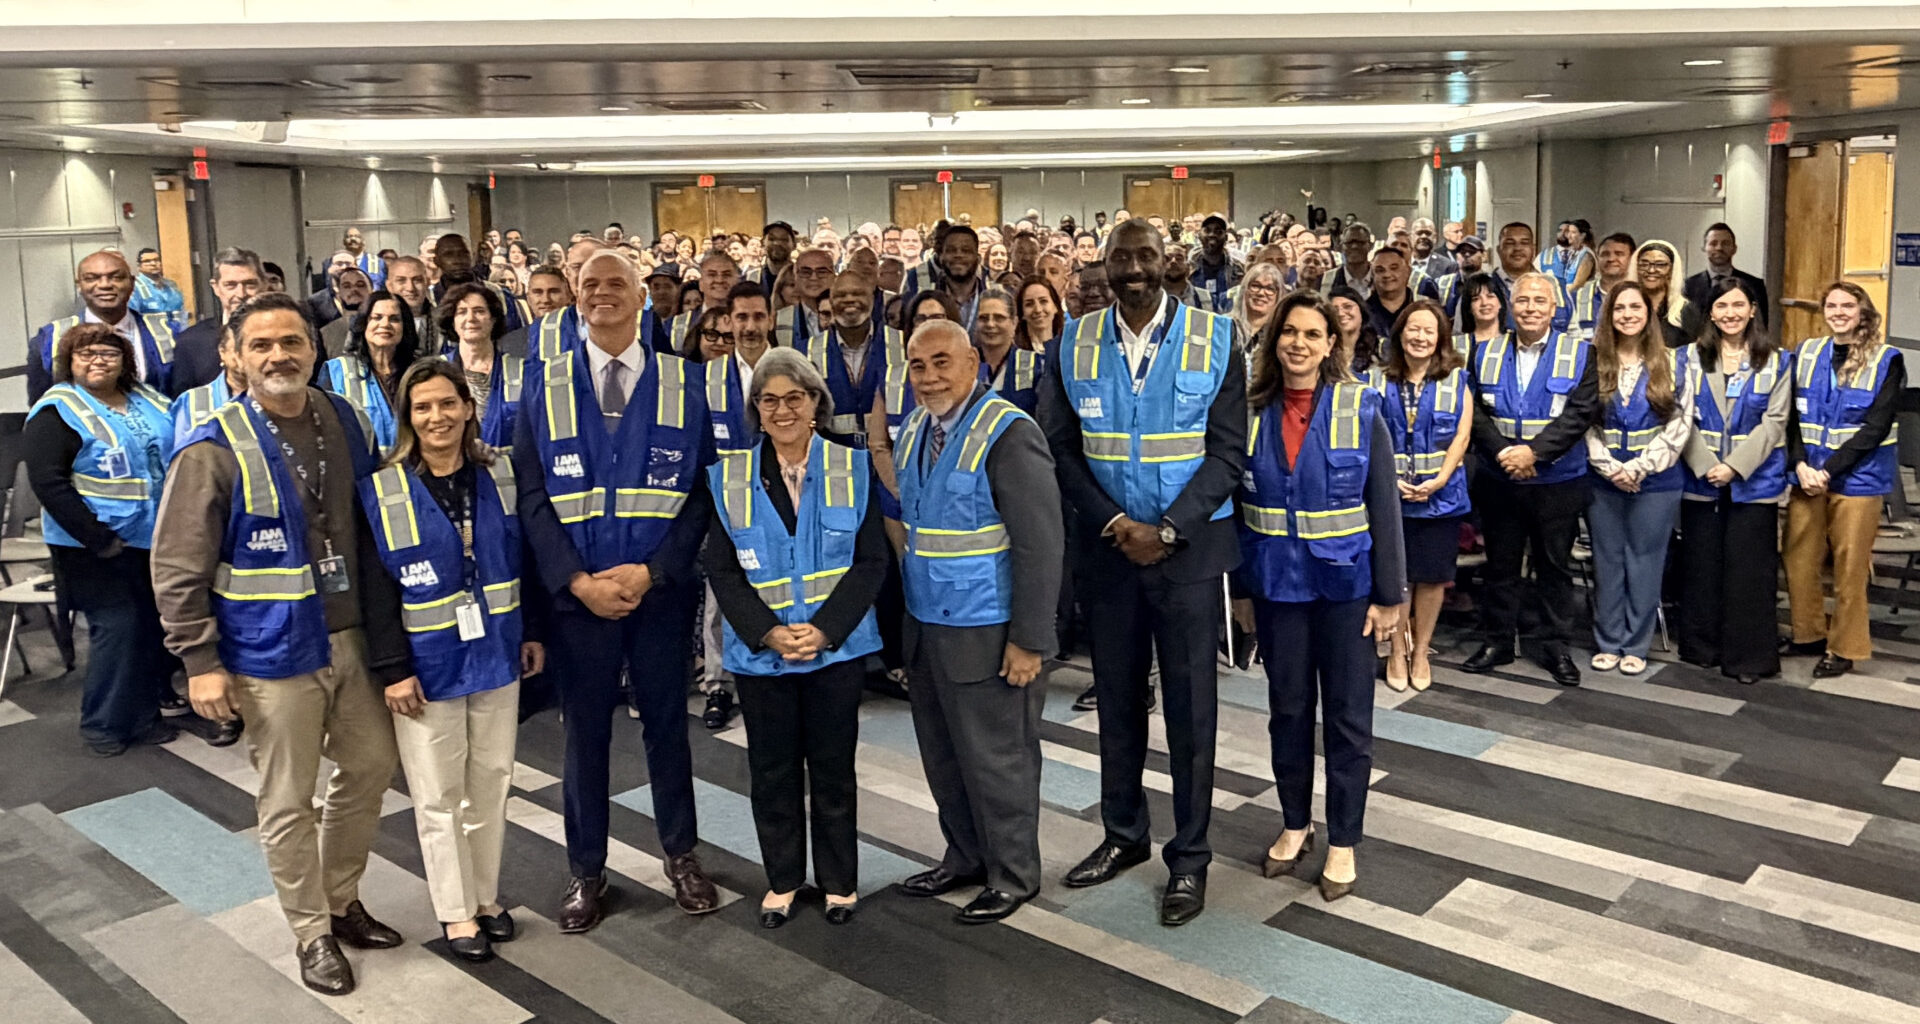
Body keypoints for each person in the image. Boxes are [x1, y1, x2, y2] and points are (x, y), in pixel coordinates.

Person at [152, 292, 409, 997]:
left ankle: (340, 898)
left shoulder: (344, 419)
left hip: (351, 636)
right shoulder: (210, 446)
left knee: (370, 767)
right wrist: (199, 661)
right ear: (233, 356)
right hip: (268, 651)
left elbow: (382, 511)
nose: (278, 356)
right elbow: (177, 564)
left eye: (291, 342)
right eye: (260, 345)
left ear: (314, 350)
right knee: (288, 798)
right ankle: (311, 931)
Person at [1039, 219, 1244, 927]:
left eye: (1145, 256)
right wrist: (1115, 525)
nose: (1133, 269)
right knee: (1118, 704)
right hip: (1108, 551)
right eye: (1121, 257)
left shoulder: (1217, 338)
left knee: (1190, 713)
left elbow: (1227, 454)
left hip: (1185, 554)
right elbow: (1061, 450)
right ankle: (1124, 835)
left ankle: (1189, 858)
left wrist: (1167, 529)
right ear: (1105, 264)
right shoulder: (1073, 339)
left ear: (1167, 263)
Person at [512, 250, 720, 931]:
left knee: (667, 728)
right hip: (579, 600)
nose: (603, 294)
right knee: (585, 739)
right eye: (590, 285)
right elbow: (533, 494)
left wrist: (654, 572)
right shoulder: (541, 383)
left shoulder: (686, 384)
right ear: (576, 299)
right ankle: (586, 870)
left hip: (658, 595)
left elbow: (701, 496)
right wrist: (574, 580)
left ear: (643, 298)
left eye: (616, 285)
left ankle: (682, 855)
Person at [360, 359, 541, 964]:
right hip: (424, 663)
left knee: (491, 782)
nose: (436, 417)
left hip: (496, 649)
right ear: (407, 418)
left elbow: (524, 561)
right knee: (438, 793)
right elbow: (375, 588)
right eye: (423, 408)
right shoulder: (383, 486)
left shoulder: (501, 475)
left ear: (468, 407)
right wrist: (391, 669)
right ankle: (456, 912)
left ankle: (486, 899)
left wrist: (531, 631)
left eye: (447, 404)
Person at [701, 348, 886, 927]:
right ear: (756, 409)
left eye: (794, 398)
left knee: (833, 768)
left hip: (836, 650)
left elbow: (871, 561)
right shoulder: (728, 476)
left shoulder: (852, 467)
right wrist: (769, 633)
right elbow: (723, 569)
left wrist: (826, 631)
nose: (782, 410)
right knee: (773, 771)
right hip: (763, 656)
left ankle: (839, 883)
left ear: (816, 405)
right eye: (769, 399)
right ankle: (782, 880)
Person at [1237, 291, 1406, 902]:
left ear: (1332, 344)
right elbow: (1239, 510)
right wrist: (1242, 590)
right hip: (1275, 590)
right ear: (1273, 339)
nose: (1299, 344)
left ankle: (1343, 839)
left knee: (1346, 717)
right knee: (1286, 713)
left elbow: (1384, 509)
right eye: (1289, 332)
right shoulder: (1249, 410)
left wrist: (1391, 597)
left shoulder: (1361, 406)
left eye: (1313, 334)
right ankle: (1293, 821)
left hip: (1345, 592)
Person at [893, 320, 1062, 924]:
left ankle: (1013, 874)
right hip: (927, 624)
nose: (931, 376)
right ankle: (964, 856)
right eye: (918, 365)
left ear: (973, 363)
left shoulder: (1009, 433)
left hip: (991, 630)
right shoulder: (914, 428)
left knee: (999, 759)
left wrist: (1029, 640)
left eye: (943, 362)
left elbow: (1041, 545)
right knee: (944, 755)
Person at [26, 323, 177, 756]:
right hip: (91, 545)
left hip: (153, 537)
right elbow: (48, 482)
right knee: (119, 627)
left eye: (108, 353)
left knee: (151, 628)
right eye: (86, 354)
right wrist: (98, 538)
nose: (97, 360)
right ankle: (103, 724)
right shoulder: (58, 408)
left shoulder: (148, 398)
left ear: (124, 360)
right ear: (70, 363)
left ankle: (144, 718)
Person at [1462, 272, 1597, 687]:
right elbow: (1475, 413)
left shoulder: (1580, 353)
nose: (1531, 308)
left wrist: (1533, 453)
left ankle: (1555, 646)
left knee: (1555, 568)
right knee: (1501, 566)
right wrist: (1505, 452)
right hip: (1500, 479)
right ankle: (1498, 641)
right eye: (1523, 301)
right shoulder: (1483, 351)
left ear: (1554, 309)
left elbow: (1581, 412)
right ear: (1510, 306)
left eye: (1540, 301)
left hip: (1557, 481)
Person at [1783, 281, 1900, 679]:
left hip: (1858, 479)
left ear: (1862, 310)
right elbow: (1791, 417)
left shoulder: (1887, 359)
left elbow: (1876, 427)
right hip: (1806, 475)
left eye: (1847, 305)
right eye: (1831, 305)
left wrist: (1828, 471)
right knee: (1798, 558)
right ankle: (1808, 633)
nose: (1838, 312)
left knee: (1849, 567)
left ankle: (1844, 646)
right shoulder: (1807, 352)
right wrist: (1800, 465)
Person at [1675, 278, 1787, 685]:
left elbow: (1775, 422)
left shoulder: (1776, 359)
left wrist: (1735, 467)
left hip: (1754, 482)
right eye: (1721, 306)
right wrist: (1707, 464)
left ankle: (1748, 658)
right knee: (1702, 567)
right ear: (1710, 313)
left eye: (1738, 305)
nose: (1730, 314)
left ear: (1753, 309)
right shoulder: (1686, 358)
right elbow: (1678, 417)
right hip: (1700, 479)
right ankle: (1701, 647)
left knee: (1749, 572)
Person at [1583, 282, 1690, 676]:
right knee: (1607, 560)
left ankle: (1635, 644)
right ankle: (1608, 641)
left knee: (1645, 562)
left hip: (1657, 482)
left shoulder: (1675, 362)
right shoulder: (1592, 362)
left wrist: (1641, 467)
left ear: (1649, 314)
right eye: (1619, 308)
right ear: (1608, 315)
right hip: (1604, 479)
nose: (1627, 314)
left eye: (1635, 307)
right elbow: (1584, 424)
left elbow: (1681, 425)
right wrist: (1610, 466)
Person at [1369, 300, 1471, 691]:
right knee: (1399, 579)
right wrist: (1389, 480)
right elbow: (1369, 438)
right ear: (1400, 333)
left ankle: (1421, 649)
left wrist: (1440, 479)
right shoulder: (1378, 379)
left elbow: (1462, 435)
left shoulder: (1456, 378)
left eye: (1430, 330)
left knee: (1432, 580)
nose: (1421, 337)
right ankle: (1396, 649)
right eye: (1414, 328)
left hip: (1440, 496)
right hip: (1391, 497)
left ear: (1441, 338)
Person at [31, 250, 178, 403]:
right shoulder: (50, 339)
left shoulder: (169, 333)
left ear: (132, 283)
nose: (105, 285)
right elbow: (41, 404)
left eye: (116, 277)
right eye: (91, 278)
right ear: (79, 285)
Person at [323, 289, 420, 453]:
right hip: (363, 473)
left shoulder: (420, 372)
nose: (385, 324)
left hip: (414, 472)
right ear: (363, 324)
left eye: (394, 319)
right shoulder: (336, 372)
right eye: (377, 317)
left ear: (405, 328)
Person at [440, 283, 524, 448]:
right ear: (453, 321)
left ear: (493, 319)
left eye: (479, 311)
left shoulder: (522, 370)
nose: (470, 318)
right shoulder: (437, 370)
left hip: (512, 471)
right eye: (462, 312)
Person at [1684, 223, 1770, 327]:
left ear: (1734, 248)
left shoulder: (1754, 285)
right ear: (1704, 248)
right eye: (1713, 243)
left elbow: (1761, 326)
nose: (1719, 248)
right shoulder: (1688, 286)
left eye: (1725, 243)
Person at [972, 288, 1040, 415]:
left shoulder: (1034, 365)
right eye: (983, 318)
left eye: (999, 318)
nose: (990, 324)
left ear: (1014, 323)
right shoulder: (966, 365)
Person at [1567, 233, 1636, 339]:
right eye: (1605, 254)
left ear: (1633, 258)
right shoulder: (1576, 297)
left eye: (1619, 254)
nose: (1611, 259)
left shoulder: (1641, 296)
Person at [1631, 240, 1698, 348]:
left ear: (1671, 270)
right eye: (1644, 264)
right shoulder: (1625, 308)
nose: (1651, 270)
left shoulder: (1687, 311)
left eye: (1660, 265)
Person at [385, 256, 440, 353]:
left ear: (427, 283)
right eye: (401, 280)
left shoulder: (443, 321)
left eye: (417, 280)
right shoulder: (379, 322)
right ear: (389, 286)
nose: (410, 288)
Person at [318, 267, 374, 359]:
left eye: (360, 285)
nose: (354, 289)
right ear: (338, 294)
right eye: (347, 286)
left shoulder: (381, 327)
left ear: (371, 291)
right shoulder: (325, 334)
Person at [1190, 215, 1244, 311]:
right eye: (1207, 231)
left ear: (1226, 237)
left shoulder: (1238, 269)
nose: (1212, 235)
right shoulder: (1189, 269)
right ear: (1199, 235)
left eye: (1218, 231)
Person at [129, 247, 186, 329]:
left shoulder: (171, 286)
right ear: (139, 266)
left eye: (156, 260)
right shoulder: (134, 287)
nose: (153, 263)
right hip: (148, 338)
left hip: (176, 336)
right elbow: (132, 319)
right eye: (147, 261)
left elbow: (181, 314)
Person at [1328, 286, 1379, 375]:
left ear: (1361, 311)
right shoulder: (1324, 349)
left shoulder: (1380, 348)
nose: (1340, 313)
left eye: (1347, 307)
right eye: (1334, 309)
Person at [1457, 273, 1508, 356]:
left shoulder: (1512, 343)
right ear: (1469, 307)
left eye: (1490, 296)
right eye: (1476, 299)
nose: (1484, 303)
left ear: (1500, 303)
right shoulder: (1457, 345)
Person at [1015, 278, 1063, 352]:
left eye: (1043, 301)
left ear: (1055, 306)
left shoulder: (1068, 346)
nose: (1038, 309)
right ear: (1022, 312)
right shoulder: (1013, 352)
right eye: (1029, 304)